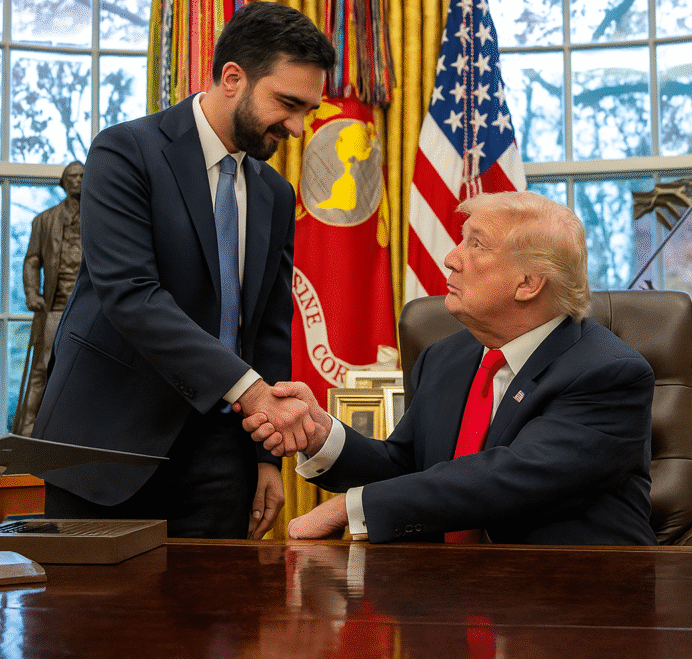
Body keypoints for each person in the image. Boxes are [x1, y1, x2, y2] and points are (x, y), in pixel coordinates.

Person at [31, 2, 336, 539]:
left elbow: (267, 326)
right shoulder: (125, 151)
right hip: (106, 445)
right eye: (287, 103)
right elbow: (131, 295)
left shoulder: (275, 193)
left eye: (306, 109)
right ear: (233, 78)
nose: (296, 126)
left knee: (216, 617)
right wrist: (252, 393)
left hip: (220, 456)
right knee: (85, 621)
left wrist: (266, 457)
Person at [245, 191, 658, 545]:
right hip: (446, 601)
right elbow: (406, 468)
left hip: (572, 614)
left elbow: (507, 479)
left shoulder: (609, 374)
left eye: (476, 244)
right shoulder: (445, 357)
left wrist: (353, 507)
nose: (450, 257)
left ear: (528, 283)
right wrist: (322, 435)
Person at [12, 161, 84, 437]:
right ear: (63, 183)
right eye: (72, 177)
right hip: (54, 308)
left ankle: (79, 437)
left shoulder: (102, 218)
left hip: (91, 311)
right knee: (41, 370)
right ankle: (27, 434)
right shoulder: (44, 220)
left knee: (87, 373)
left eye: (81, 176)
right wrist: (31, 292)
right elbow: (32, 260)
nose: (77, 181)